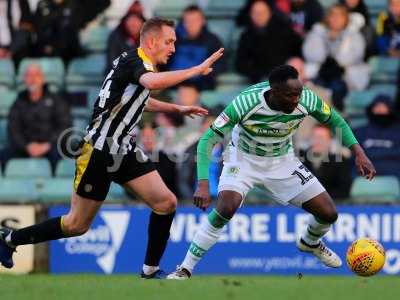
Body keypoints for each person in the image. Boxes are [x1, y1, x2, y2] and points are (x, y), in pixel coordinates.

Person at [0, 18, 224, 279]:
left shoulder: (136, 63)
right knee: (76, 225)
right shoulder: (136, 63)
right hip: (98, 151)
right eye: (169, 41)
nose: (173, 47)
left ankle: (150, 271)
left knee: (166, 202)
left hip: (123, 149)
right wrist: (195, 70)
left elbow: (140, 98)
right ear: (151, 42)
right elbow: (151, 84)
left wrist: (177, 108)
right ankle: (9, 239)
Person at [167, 65, 376, 279]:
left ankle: (309, 242)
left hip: (282, 161)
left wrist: (359, 152)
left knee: (328, 213)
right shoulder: (246, 102)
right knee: (226, 206)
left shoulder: (306, 99)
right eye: (290, 95)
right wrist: (202, 182)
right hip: (242, 159)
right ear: (273, 91)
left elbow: (336, 120)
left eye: (298, 94)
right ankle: (185, 268)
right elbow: (208, 139)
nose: (296, 101)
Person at [0, 63, 71, 172]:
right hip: (26, 147)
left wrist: (47, 145)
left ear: (42, 79)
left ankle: (54, 186)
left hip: (50, 146)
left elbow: (65, 126)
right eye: (29, 76)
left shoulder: (56, 100)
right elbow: (13, 129)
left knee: (61, 155)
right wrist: (26, 146)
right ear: (24, 79)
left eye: (36, 75)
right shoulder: (19, 102)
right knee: (4, 154)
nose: (33, 79)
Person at [303, 4, 369, 110]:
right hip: (320, 75)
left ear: (346, 19)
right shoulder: (317, 33)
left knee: (337, 88)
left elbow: (352, 57)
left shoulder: (354, 35)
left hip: (346, 77)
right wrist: (323, 39)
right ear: (327, 18)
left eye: (340, 16)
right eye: (332, 15)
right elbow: (312, 54)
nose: (335, 19)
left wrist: (342, 39)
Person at [235, 0, 302, 83]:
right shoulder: (246, 36)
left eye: (262, 13)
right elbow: (240, 64)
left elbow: (297, 52)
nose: (259, 16)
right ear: (250, 15)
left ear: (269, 13)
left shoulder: (285, 31)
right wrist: (257, 73)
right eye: (255, 13)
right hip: (259, 79)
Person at [166, 5, 226, 90]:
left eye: (195, 20)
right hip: (175, 86)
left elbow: (221, 64)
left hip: (202, 86)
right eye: (187, 21)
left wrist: (205, 74)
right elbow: (164, 64)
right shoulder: (173, 40)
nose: (191, 24)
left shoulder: (212, 40)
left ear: (203, 21)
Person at [299, 124, 352, 200]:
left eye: (321, 138)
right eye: (314, 137)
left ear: (329, 141)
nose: (317, 141)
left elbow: (344, 189)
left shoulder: (340, 162)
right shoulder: (299, 160)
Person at [353, 95, 400, 178]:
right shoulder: (359, 131)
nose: (380, 110)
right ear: (371, 109)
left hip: (394, 173)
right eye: (377, 106)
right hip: (364, 172)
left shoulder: (397, 132)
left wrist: (371, 153)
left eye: (383, 106)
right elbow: (355, 153)